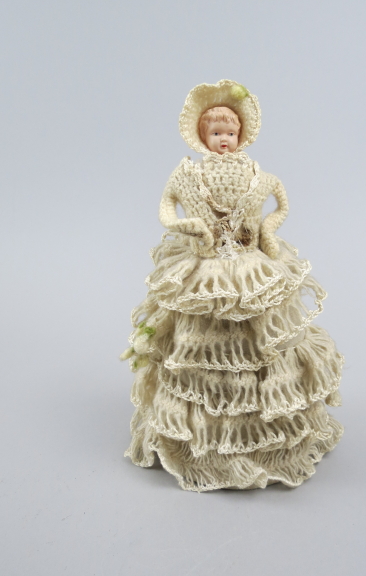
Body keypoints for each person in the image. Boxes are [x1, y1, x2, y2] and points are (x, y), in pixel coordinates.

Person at [121, 80, 344, 492]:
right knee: (199, 337)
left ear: (242, 135)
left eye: (230, 132)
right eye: (215, 133)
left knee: (260, 340)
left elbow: (281, 203)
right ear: (201, 136)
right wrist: (185, 225)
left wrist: (268, 231)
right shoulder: (188, 174)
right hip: (202, 269)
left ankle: (259, 435)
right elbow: (166, 207)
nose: (224, 140)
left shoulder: (258, 174)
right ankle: (204, 438)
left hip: (250, 268)